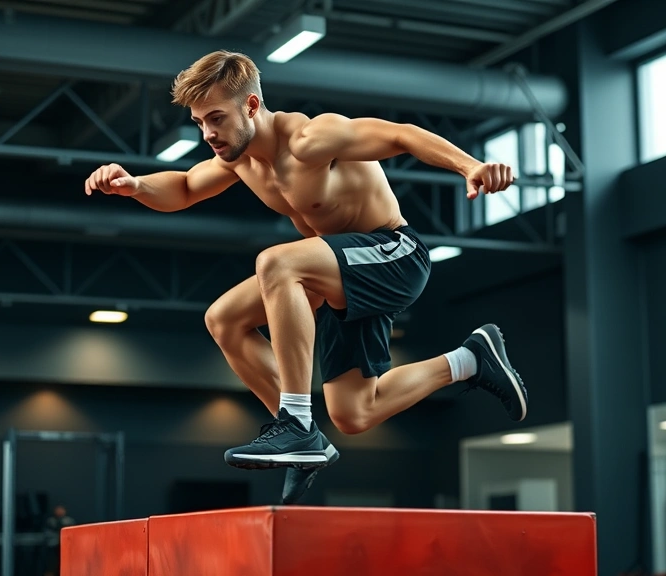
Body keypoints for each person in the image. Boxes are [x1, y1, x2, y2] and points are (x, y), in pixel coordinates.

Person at [85, 50, 528, 504]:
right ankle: (470, 360)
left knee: (278, 263)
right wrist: (135, 185)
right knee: (339, 402)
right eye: (200, 122)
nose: (208, 133)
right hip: (340, 275)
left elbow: (402, 135)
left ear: (251, 106)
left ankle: (295, 423)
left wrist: (470, 166)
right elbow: (183, 187)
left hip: (395, 255)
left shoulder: (311, 138)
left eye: (216, 118)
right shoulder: (240, 161)